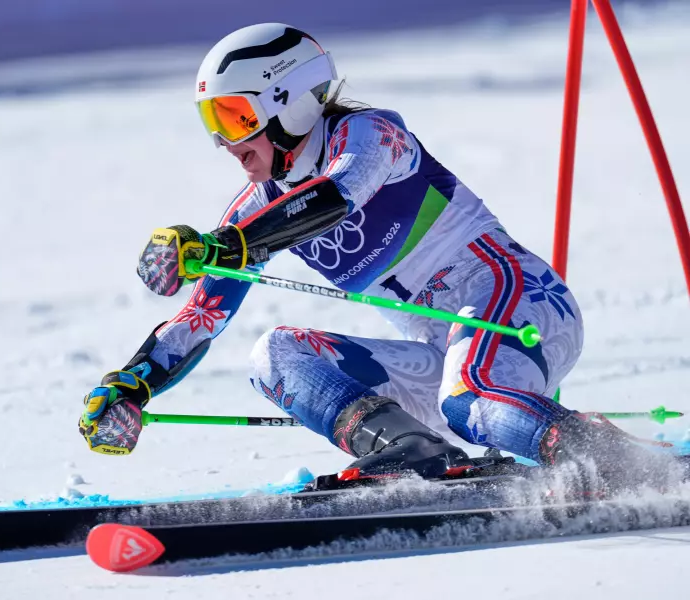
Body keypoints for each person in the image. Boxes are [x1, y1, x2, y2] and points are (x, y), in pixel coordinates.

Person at [78, 23, 676, 489]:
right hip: (447, 354)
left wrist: (225, 245)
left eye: (237, 117)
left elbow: (334, 197)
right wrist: (133, 384)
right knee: (275, 356)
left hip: (517, 309)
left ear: (287, 100)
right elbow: (198, 319)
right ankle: (412, 451)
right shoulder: (251, 213)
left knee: (466, 397)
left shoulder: (371, 135)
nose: (226, 143)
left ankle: (623, 463)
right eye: (214, 123)